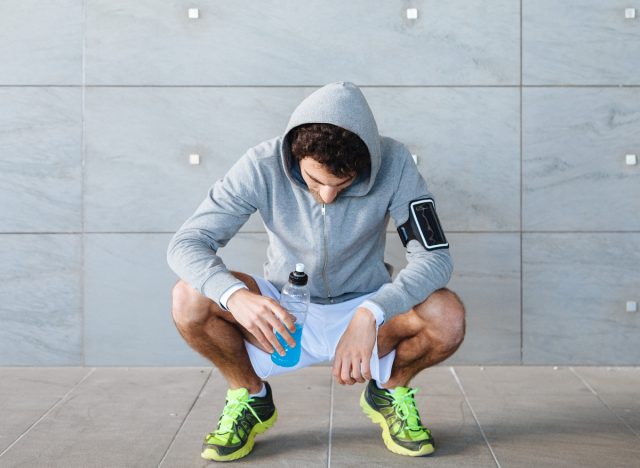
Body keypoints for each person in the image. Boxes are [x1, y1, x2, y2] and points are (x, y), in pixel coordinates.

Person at [167, 81, 465, 461]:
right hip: (284, 313)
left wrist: (371, 312)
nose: (327, 195)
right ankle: (250, 396)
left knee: (447, 314)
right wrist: (235, 297)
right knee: (188, 297)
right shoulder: (261, 165)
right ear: (295, 157)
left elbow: (435, 258)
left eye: (342, 184)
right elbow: (186, 243)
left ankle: (389, 390)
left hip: (367, 309)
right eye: (315, 181)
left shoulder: (394, 162)